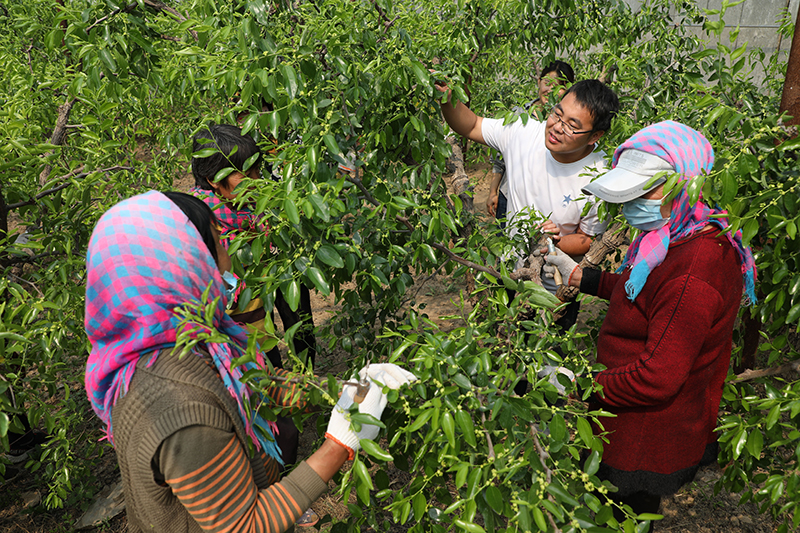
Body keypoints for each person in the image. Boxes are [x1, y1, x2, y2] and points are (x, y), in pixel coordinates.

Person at [84, 190, 416, 533]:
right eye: (218, 246)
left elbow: (258, 383)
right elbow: (247, 524)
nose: (229, 261)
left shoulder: (176, 348)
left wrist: (344, 390)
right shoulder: (181, 408)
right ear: (185, 266)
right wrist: (339, 445)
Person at [543, 121, 757, 530]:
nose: (633, 203)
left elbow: (656, 376)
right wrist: (584, 278)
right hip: (635, 423)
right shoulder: (685, 232)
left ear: (688, 184)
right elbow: (649, 297)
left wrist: (580, 385)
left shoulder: (695, 268)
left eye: (646, 191)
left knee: (621, 515)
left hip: (642, 434)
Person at [438, 77, 618, 324]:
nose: (557, 127)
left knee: (548, 351)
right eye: (557, 114)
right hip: (510, 275)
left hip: (555, 293)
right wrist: (448, 100)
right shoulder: (522, 133)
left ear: (594, 136)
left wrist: (557, 242)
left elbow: (589, 239)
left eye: (572, 126)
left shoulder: (600, 176)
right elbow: (470, 126)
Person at [190, 123, 317, 370]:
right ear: (213, 180)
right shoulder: (200, 225)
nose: (256, 181)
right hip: (238, 341)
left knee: (300, 328)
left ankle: (308, 372)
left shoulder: (259, 207)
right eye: (244, 175)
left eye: (257, 171)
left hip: (262, 325)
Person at [488, 60, 576, 227]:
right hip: (510, 196)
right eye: (547, 83)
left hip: (546, 201)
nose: (551, 90)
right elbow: (500, 159)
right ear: (539, 82)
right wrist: (493, 191)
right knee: (505, 245)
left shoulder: (564, 124)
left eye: (559, 86)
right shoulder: (519, 114)